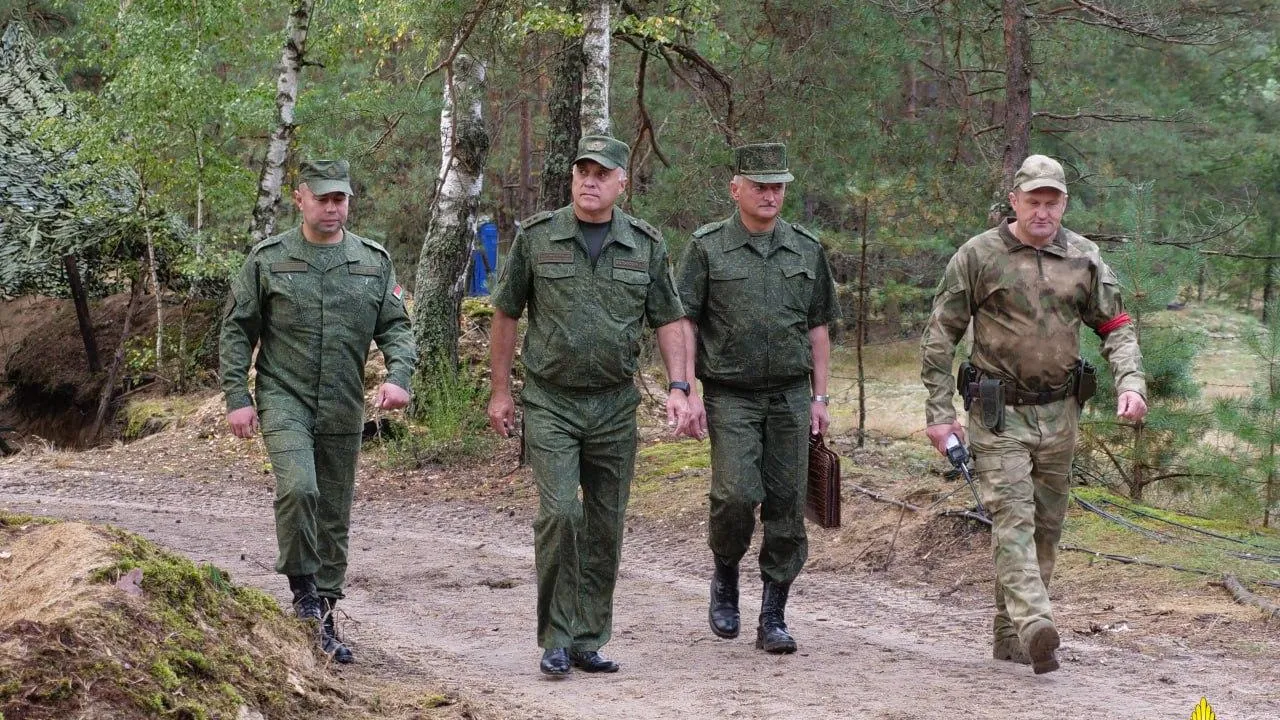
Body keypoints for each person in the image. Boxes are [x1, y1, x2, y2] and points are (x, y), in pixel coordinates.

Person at [919, 154, 1148, 674]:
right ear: (1014, 202)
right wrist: (939, 412)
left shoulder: (1084, 258)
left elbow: (1116, 325)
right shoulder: (979, 256)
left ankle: (1011, 637)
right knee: (1012, 516)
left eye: (1052, 202)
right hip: (998, 414)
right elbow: (940, 337)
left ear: (1064, 202)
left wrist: (1130, 381)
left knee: (1046, 525)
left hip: (1061, 413)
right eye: (1033, 202)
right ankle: (1036, 620)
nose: (1043, 212)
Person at [487, 135, 693, 677]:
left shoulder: (645, 245)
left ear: (622, 183)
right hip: (551, 400)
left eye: (602, 173)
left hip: (613, 405)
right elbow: (506, 313)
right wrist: (501, 390)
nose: (590, 181)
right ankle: (555, 637)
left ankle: (588, 636)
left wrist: (680, 387)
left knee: (605, 524)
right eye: (583, 171)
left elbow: (669, 319)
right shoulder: (537, 237)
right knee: (560, 514)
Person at [220, 159, 416, 664]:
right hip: (285, 395)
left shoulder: (372, 261)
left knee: (333, 510)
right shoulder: (269, 259)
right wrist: (238, 399)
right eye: (323, 198)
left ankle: (326, 614)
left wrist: (398, 376)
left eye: (341, 199)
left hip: (344, 401)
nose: (332, 207)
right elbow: (237, 330)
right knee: (298, 488)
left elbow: (396, 327)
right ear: (300, 197)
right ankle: (303, 591)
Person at [675, 142, 840, 654]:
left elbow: (818, 328)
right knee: (735, 494)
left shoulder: (806, 249)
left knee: (787, 504)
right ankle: (725, 572)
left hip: (791, 395)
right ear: (736, 189)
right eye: (761, 186)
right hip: (730, 393)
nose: (771, 195)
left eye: (778, 187)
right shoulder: (706, 248)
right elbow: (685, 322)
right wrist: (686, 388)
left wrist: (821, 397)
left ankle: (773, 613)